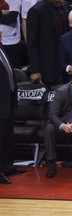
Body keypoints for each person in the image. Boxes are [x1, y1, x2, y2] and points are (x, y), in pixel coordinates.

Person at [0, 33, 26, 184]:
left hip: (7, 100)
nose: (1, 33)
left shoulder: (1, 47)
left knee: (7, 137)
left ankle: (8, 166)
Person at [27, 0, 70, 88]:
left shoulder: (65, 6)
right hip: (48, 67)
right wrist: (35, 70)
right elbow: (32, 44)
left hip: (66, 64)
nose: (62, 1)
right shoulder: (36, 11)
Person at [0, 0, 21, 69]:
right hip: (1, 40)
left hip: (11, 41)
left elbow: (11, 19)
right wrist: (2, 13)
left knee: (13, 70)